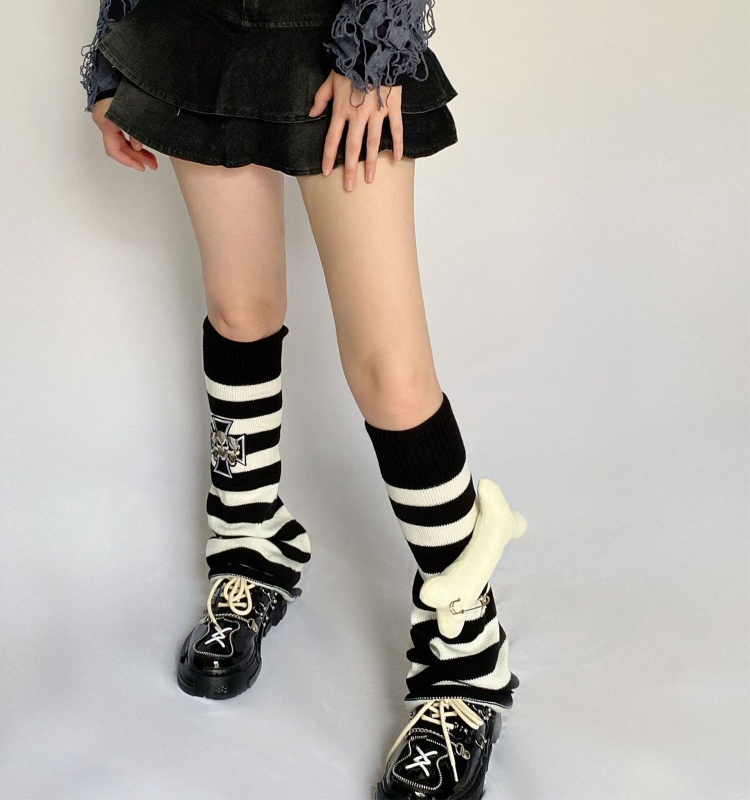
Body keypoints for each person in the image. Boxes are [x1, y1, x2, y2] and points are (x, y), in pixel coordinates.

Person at [79, 1, 525, 797]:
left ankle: (466, 652)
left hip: (338, 33)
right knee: (239, 311)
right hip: (200, 28)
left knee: (391, 373)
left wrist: (377, 40)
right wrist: (118, 54)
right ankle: (251, 545)